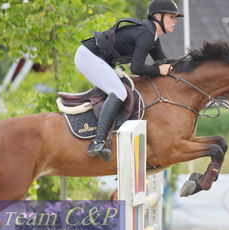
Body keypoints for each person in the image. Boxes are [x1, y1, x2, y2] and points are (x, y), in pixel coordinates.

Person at [74, 0, 183, 161]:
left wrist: (184, 64)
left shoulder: (152, 36)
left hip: (98, 58)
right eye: (171, 17)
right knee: (118, 91)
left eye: (175, 18)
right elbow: (137, 69)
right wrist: (159, 69)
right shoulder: (146, 34)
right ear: (158, 17)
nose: (175, 21)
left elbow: (162, 61)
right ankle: (97, 142)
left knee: (122, 89)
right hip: (88, 56)